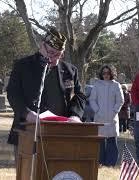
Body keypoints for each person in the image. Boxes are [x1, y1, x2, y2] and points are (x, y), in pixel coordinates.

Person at [6, 27, 86, 164]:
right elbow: (13, 94)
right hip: (28, 130)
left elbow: (80, 95)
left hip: (59, 133)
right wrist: (26, 113)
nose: (55, 58)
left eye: (59, 55)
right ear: (42, 46)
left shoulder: (70, 70)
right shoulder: (23, 66)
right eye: (51, 53)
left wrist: (75, 115)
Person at [89, 64, 124, 167]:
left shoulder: (116, 85)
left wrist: (114, 111)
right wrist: (97, 110)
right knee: (100, 141)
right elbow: (92, 99)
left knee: (112, 140)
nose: (106, 75)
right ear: (101, 74)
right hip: (99, 117)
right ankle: (100, 162)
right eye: (104, 73)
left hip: (112, 117)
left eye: (108, 73)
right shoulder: (97, 85)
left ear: (111, 73)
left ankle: (111, 163)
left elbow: (120, 100)